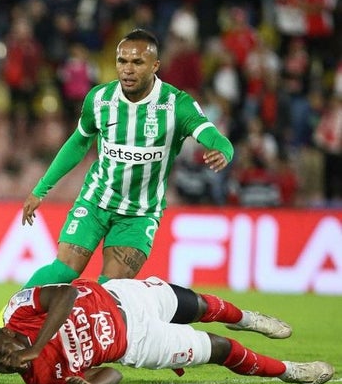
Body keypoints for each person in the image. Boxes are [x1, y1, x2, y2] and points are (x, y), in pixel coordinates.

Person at [18, 29, 234, 292]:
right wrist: (41, 189)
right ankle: (9, 315)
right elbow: (78, 143)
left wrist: (222, 151)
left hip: (139, 214)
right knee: (63, 270)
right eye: (122, 61)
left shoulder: (176, 105)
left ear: (155, 65)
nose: (128, 69)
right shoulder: (99, 99)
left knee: (110, 292)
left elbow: (216, 138)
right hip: (95, 201)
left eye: (137, 62)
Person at [0, 276, 334, 384]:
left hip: (126, 296)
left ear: (5, 333)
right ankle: (290, 371)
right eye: (0, 368)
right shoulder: (40, 377)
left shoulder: (19, 310)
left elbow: (66, 294)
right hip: (140, 344)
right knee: (220, 348)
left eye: (2, 353)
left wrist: (38, 345)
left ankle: (247, 318)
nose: (8, 363)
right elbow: (112, 374)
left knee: (199, 305)